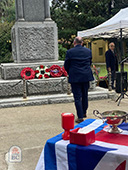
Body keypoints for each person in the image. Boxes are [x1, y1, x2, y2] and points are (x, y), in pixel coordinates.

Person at [64, 37, 94, 123]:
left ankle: (80, 116)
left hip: (75, 76)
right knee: (85, 95)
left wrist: (70, 72)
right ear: (82, 43)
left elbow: (66, 65)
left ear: (74, 43)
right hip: (86, 76)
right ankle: (84, 112)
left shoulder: (70, 52)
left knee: (77, 97)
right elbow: (90, 62)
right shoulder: (88, 51)